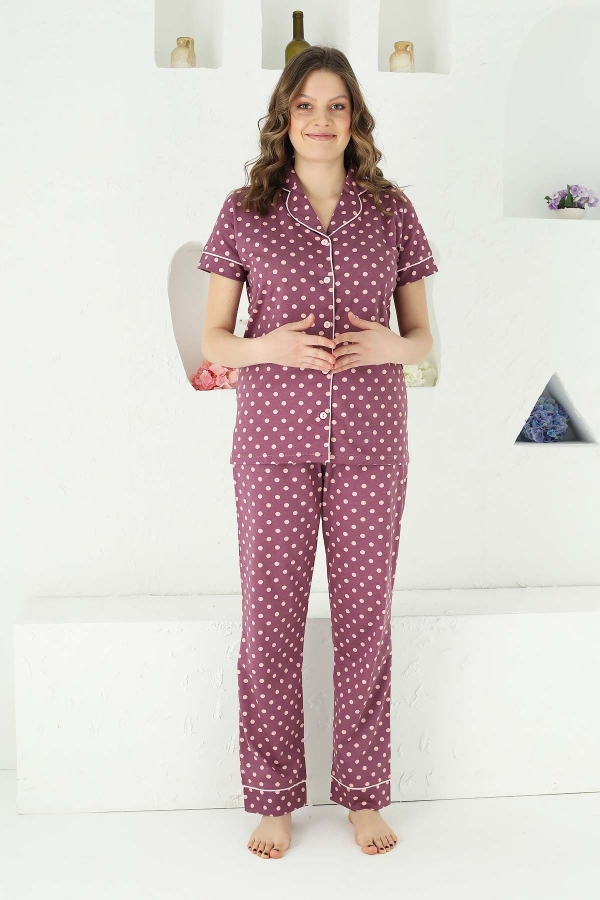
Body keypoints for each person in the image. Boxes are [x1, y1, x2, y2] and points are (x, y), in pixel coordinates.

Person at [198, 46, 438, 859]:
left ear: (355, 118)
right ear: (285, 116)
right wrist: (269, 347)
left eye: (337, 106)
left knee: (365, 622)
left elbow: (423, 337)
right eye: (306, 105)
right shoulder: (245, 210)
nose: (321, 120)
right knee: (270, 622)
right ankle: (274, 800)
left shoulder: (392, 211)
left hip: (373, 440)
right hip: (272, 442)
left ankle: (364, 797)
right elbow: (213, 338)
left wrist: (390, 346)